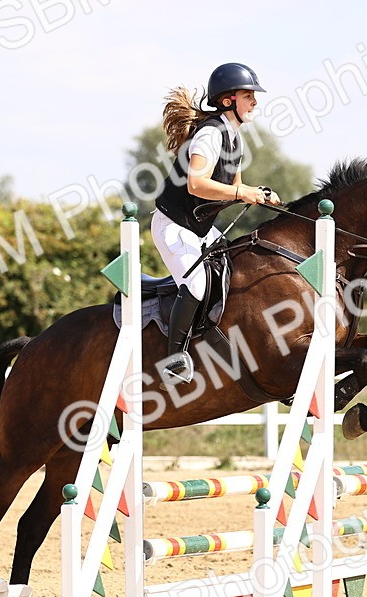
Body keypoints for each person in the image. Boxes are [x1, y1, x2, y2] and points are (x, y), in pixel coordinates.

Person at [152, 62, 281, 384]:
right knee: (196, 284)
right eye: (248, 95)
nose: (255, 102)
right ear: (228, 101)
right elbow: (197, 184)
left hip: (198, 227)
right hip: (174, 224)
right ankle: (174, 357)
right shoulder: (210, 134)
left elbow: (232, 189)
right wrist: (242, 191)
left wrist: (258, 194)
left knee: (234, 271)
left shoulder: (234, 138)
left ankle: (222, 343)